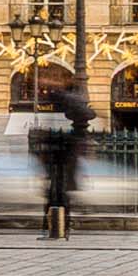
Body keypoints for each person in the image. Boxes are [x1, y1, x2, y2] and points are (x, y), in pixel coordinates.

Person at [37, 76, 90, 237]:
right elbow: (89, 114)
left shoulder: (66, 103)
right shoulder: (70, 108)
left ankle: (54, 227)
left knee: (56, 195)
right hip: (62, 157)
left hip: (60, 157)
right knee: (58, 195)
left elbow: (88, 113)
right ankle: (59, 227)